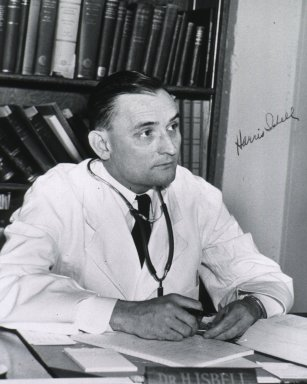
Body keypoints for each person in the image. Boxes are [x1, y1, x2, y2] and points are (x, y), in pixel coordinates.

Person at [0, 71, 293, 341]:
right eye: (146, 133)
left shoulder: (195, 193)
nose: (171, 147)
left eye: (173, 126)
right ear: (102, 145)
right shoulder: (60, 190)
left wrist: (253, 304)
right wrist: (121, 313)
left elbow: (265, 278)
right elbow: (7, 288)